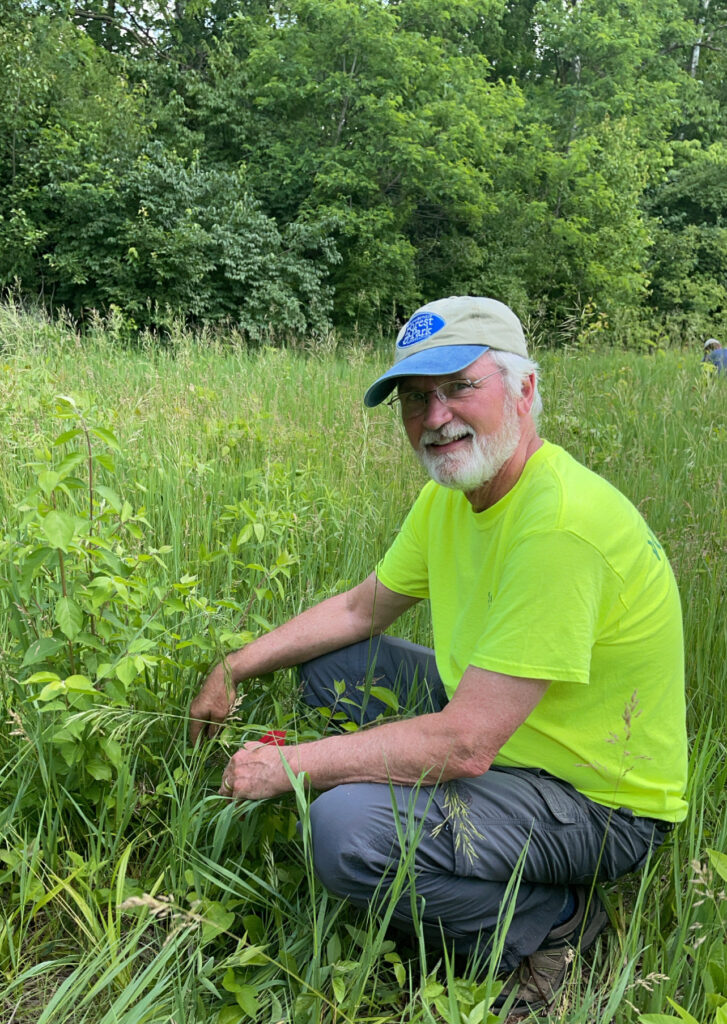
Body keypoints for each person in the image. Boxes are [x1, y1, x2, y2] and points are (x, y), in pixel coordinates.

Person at [190, 297, 687, 1013]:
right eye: (416, 398)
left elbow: (463, 744)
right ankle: (457, 849)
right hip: (513, 739)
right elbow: (360, 609)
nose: (434, 418)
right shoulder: (453, 497)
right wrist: (232, 666)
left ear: (524, 389)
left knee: (343, 831)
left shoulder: (561, 528)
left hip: (598, 801)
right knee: (335, 668)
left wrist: (287, 766)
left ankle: (553, 925)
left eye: (459, 388)